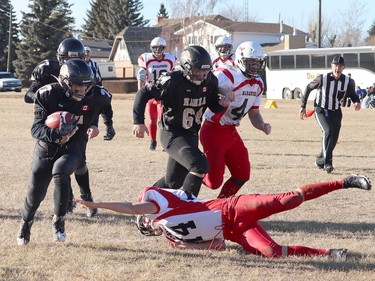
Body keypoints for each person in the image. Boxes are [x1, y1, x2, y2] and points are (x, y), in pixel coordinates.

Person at [76, 174, 371, 259]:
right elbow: (215, 247)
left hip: (231, 208)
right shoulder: (170, 235)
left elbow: (131, 206)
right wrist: (190, 246)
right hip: (231, 231)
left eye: (144, 218)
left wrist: (95, 204)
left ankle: (342, 182)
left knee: (289, 200)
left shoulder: (156, 203)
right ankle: (330, 252)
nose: (146, 222)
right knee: (272, 252)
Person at [17, 59, 113, 245]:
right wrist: (55, 133)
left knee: (61, 172)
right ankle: (26, 222)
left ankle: (58, 221)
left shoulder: (98, 95)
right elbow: (35, 129)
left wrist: (108, 124)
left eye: (85, 86)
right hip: (47, 146)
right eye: (76, 86)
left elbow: (106, 106)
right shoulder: (48, 94)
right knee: (35, 193)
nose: (81, 91)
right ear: (64, 82)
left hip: (74, 145)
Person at [133, 45, 230, 197]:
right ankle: (186, 211)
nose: (202, 75)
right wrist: (138, 121)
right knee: (200, 166)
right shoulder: (172, 80)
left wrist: (222, 105)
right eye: (198, 70)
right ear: (186, 68)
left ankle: (148, 199)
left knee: (173, 182)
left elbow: (212, 105)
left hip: (191, 135)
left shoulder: (210, 81)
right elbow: (143, 92)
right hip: (172, 133)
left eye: (205, 70)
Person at [200, 41, 271, 198]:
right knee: (213, 183)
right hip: (214, 129)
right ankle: (188, 174)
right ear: (240, 60)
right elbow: (209, 82)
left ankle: (221, 205)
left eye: (258, 62)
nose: (255, 66)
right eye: (251, 62)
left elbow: (254, 114)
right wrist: (223, 90)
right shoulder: (227, 74)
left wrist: (262, 125)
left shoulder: (258, 83)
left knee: (242, 174)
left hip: (231, 131)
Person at [299, 55, 361, 173]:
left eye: (339, 66)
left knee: (334, 138)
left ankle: (320, 160)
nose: (337, 68)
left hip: (336, 111)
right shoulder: (323, 78)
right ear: (331, 66)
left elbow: (352, 94)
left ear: (344, 67)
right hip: (321, 109)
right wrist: (303, 106)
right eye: (335, 66)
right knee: (328, 131)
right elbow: (308, 88)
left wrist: (357, 102)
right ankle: (328, 163)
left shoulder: (348, 81)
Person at [137, 37, 177, 151]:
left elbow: (174, 76)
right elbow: (141, 75)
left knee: (162, 119)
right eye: (155, 48)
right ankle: (153, 141)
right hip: (150, 93)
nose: (158, 50)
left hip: (163, 93)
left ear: (164, 48)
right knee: (152, 120)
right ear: (151, 48)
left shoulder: (170, 59)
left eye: (160, 48)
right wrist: (141, 91)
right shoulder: (146, 58)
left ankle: (165, 142)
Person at [84, 46, 116, 141]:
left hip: (94, 88)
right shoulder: (80, 64)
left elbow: (99, 78)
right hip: (83, 89)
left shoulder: (94, 64)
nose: (86, 54)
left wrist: (100, 89)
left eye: (88, 52)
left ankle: (109, 127)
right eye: (85, 52)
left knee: (104, 104)